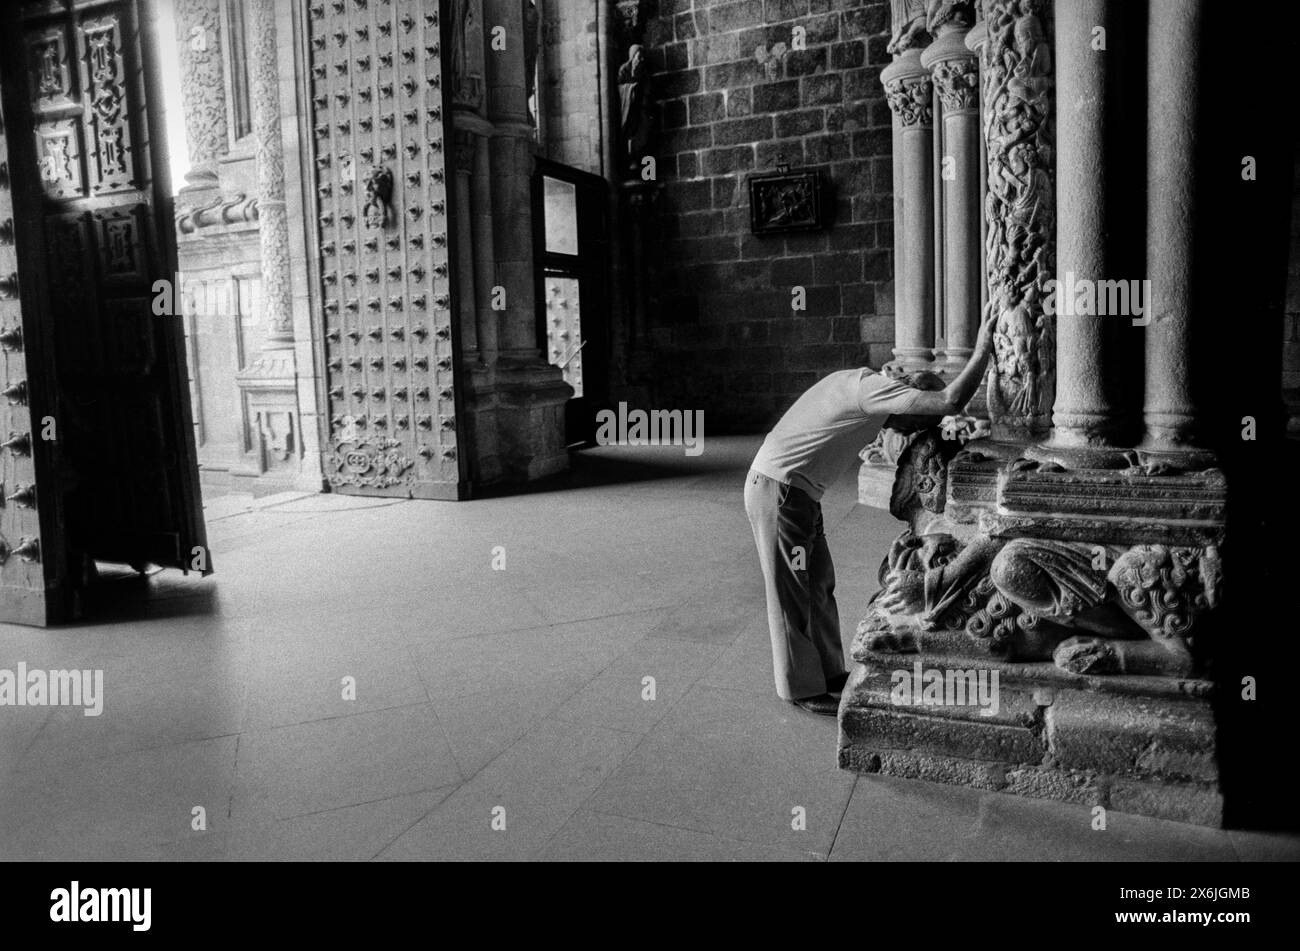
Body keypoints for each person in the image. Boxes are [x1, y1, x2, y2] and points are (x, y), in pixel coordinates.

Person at [743, 309, 999, 715]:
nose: (912, 430)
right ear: (907, 397)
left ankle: (828, 673)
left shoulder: (865, 388)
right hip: (780, 491)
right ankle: (800, 688)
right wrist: (984, 346)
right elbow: (951, 400)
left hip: (799, 494)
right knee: (792, 591)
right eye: (918, 420)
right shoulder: (875, 392)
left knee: (818, 584)